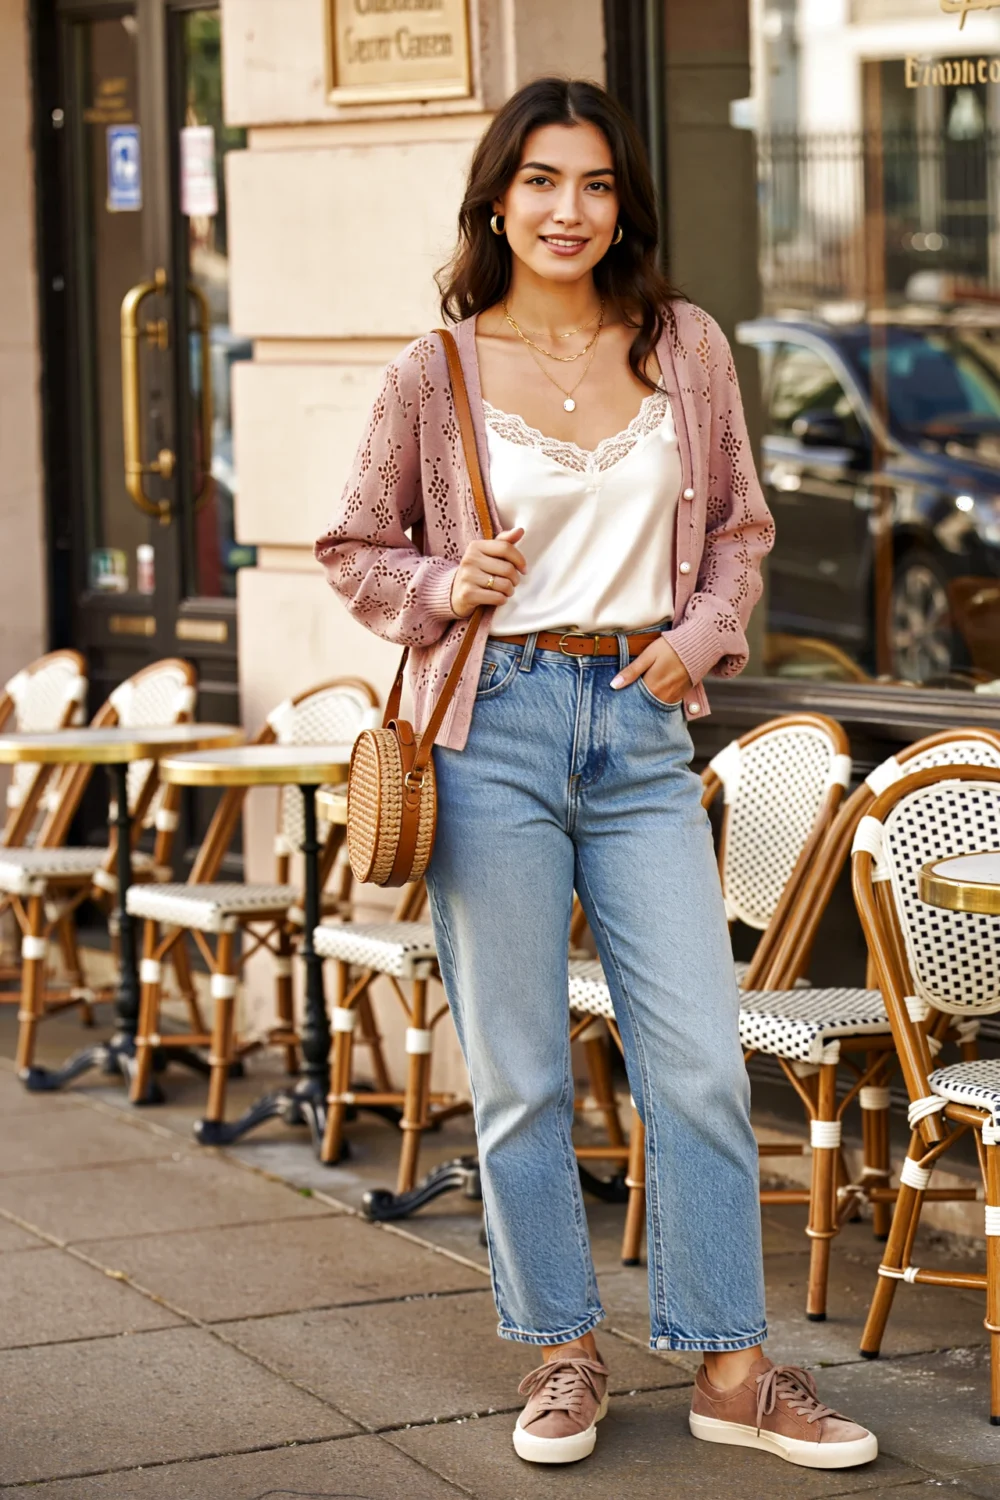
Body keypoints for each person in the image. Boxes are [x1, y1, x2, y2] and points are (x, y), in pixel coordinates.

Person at [316, 76, 877, 1472]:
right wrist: (451, 578)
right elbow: (352, 550)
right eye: (545, 181)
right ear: (497, 196)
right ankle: (562, 1351)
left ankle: (730, 1366)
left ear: (624, 202)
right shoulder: (433, 371)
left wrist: (703, 635)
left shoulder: (680, 346)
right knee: (516, 1070)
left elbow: (739, 527)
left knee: (691, 1059)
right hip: (491, 724)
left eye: (599, 184)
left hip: (635, 727)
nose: (571, 210)